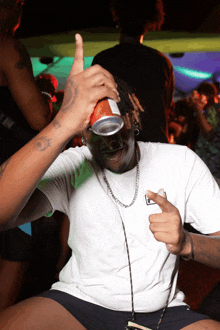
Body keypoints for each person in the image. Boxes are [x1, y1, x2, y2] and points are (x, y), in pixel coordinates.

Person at [0, 34, 220, 330]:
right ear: (83, 133)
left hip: (163, 312)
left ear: (134, 120)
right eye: (95, 129)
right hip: (79, 303)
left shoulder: (180, 162)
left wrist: (187, 242)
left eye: (115, 125)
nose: (109, 141)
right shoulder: (76, 162)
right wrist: (62, 123)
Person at [0, 0, 51, 310]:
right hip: (8, 172)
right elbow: (38, 119)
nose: (18, 10)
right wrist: (46, 97)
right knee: (14, 253)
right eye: (10, 3)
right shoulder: (7, 47)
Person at [92, 0, 174, 143]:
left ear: (116, 15)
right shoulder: (161, 62)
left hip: (117, 147)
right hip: (154, 146)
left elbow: (95, 108)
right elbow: (166, 106)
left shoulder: (103, 61)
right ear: (150, 20)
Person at [188, 83, 220, 184]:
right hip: (204, 166)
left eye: (200, 95)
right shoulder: (203, 111)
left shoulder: (213, 110)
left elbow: (208, 133)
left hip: (212, 168)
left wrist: (197, 107)